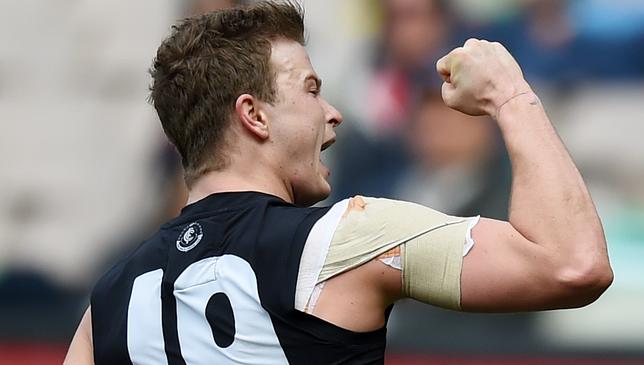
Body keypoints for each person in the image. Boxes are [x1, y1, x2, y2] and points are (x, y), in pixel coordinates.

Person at [64, 2, 613, 364]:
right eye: (310, 90)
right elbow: (574, 264)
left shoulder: (109, 301)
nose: (333, 113)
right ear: (254, 116)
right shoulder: (343, 241)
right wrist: (510, 94)